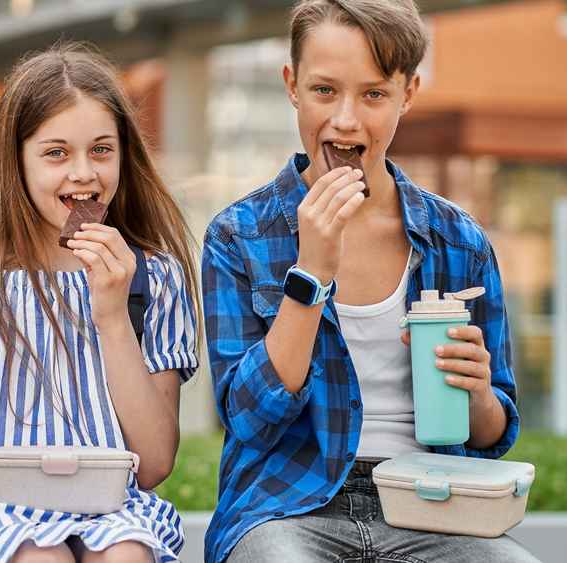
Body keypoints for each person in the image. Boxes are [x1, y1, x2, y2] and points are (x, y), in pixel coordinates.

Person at [201, 1, 540, 561]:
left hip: (432, 510)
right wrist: (310, 274)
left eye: (374, 94)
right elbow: (247, 420)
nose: (346, 120)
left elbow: (493, 432)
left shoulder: (459, 242)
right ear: (292, 85)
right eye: (324, 91)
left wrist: (478, 391)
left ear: (408, 93)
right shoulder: (239, 237)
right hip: (287, 511)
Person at [0, 44, 200, 563]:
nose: (83, 174)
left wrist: (114, 315)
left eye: (101, 150)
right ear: (16, 162)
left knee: (126, 555)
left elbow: (155, 462)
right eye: (56, 153)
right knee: (36, 557)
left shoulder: (151, 279)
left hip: (109, 504)